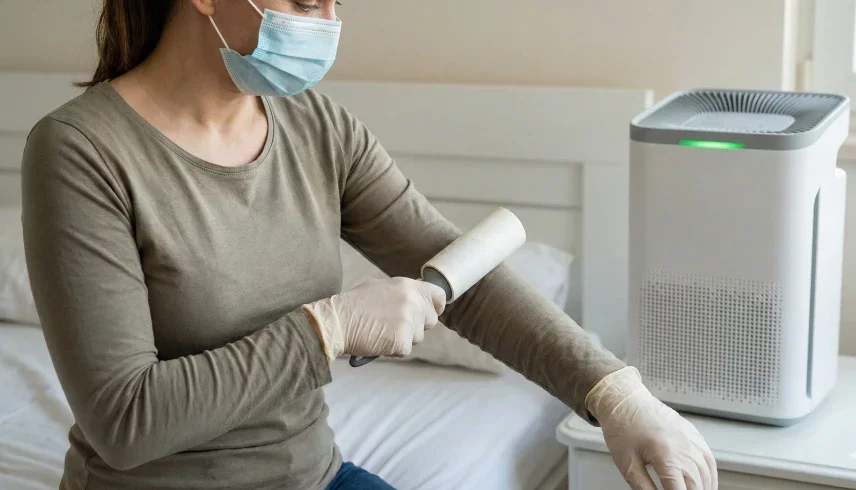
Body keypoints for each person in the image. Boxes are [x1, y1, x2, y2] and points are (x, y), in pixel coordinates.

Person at [19, 1, 717, 489]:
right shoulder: (81, 152)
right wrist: (328, 328)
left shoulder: (316, 128)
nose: (327, 26)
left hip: (314, 477)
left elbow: (455, 266)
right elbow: (125, 419)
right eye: (306, 1)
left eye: (334, 5)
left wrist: (617, 395)